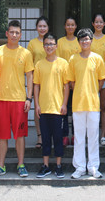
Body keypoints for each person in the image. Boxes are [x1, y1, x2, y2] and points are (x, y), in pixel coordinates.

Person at [0, 20, 34, 178]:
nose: (14, 35)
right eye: (11, 32)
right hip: (2, 100)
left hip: (19, 101)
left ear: (21, 35)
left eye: (17, 33)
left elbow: (29, 77)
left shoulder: (25, 53)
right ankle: (1, 166)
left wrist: (29, 98)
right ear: (7, 33)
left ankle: (21, 165)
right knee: (2, 135)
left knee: (20, 135)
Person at [68, 28, 105, 179]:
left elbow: (101, 80)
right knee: (79, 137)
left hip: (93, 103)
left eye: (87, 39)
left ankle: (93, 167)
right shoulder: (73, 59)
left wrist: (93, 91)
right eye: (82, 39)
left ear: (91, 41)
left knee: (93, 137)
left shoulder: (97, 59)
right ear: (78, 42)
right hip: (78, 103)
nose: (85, 41)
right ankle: (79, 167)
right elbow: (71, 82)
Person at [33, 33, 69, 179]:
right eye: (46, 44)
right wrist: (36, 105)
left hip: (58, 109)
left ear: (56, 46)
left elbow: (66, 86)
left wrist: (64, 104)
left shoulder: (63, 63)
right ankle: (46, 166)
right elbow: (36, 86)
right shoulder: (39, 64)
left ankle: (59, 166)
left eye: (51, 44)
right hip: (44, 108)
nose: (49, 47)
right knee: (46, 139)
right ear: (43, 46)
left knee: (58, 139)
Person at [90, 13, 105, 147]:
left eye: (101, 22)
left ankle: (103, 135)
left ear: (104, 24)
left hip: (104, 79)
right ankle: (92, 135)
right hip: (90, 79)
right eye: (96, 22)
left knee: (104, 107)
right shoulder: (88, 39)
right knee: (91, 108)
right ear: (93, 24)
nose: (98, 24)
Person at [57, 17, 80, 147]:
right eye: (68, 25)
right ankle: (65, 135)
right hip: (63, 81)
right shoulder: (60, 42)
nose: (70, 27)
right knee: (64, 109)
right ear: (65, 26)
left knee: (75, 109)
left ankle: (75, 135)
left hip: (77, 81)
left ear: (76, 26)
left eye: (72, 25)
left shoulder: (79, 41)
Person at [27, 16, 49, 149]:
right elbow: (29, 63)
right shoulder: (32, 43)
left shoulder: (52, 42)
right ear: (36, 28)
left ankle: (49, 136)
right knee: (38, 108)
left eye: (44, 26)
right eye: (40, 26)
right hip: (37, 80)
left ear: (48, 28)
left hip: (51, 79)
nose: (42, 28)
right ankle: (40, 136)